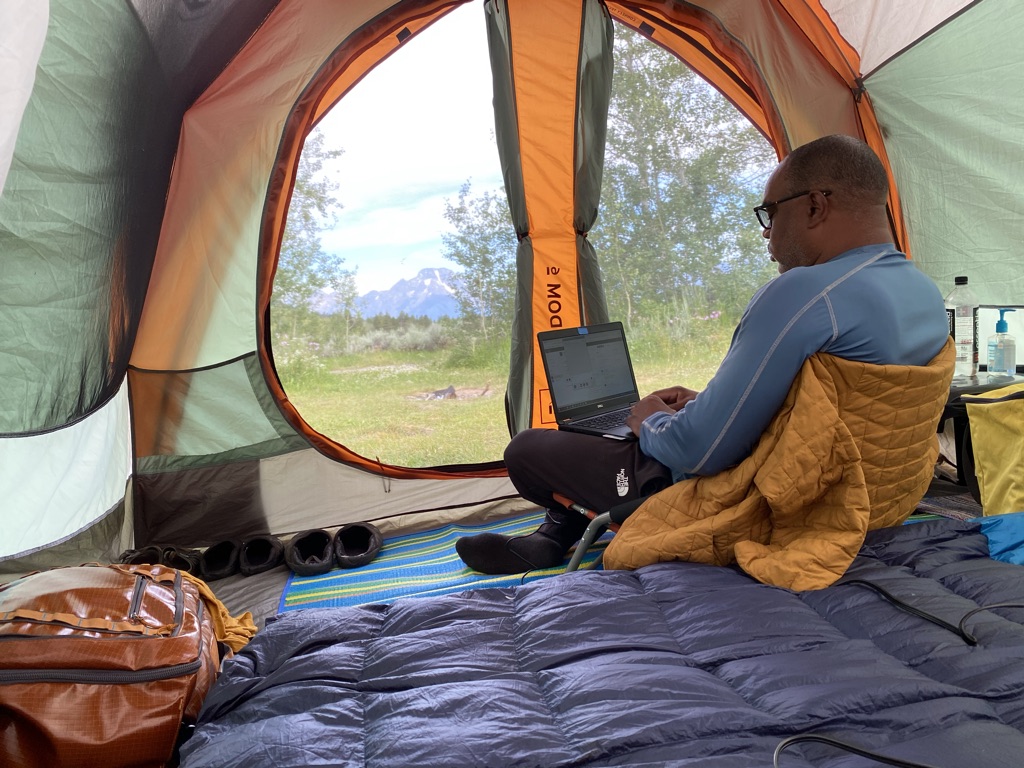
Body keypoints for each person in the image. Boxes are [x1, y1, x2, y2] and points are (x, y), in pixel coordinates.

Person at [456, 134, 951, 575]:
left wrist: (649, 421)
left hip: (763, 496)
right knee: (637, 432)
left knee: (529, 449)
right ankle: (554, 536)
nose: (766, 233)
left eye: (770, 212)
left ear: (816, 207)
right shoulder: (925, 294)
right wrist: (702, 402)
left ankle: (575, 526)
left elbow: (700, 453)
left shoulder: (807, 292)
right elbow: (839, 409)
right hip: (876, 498)